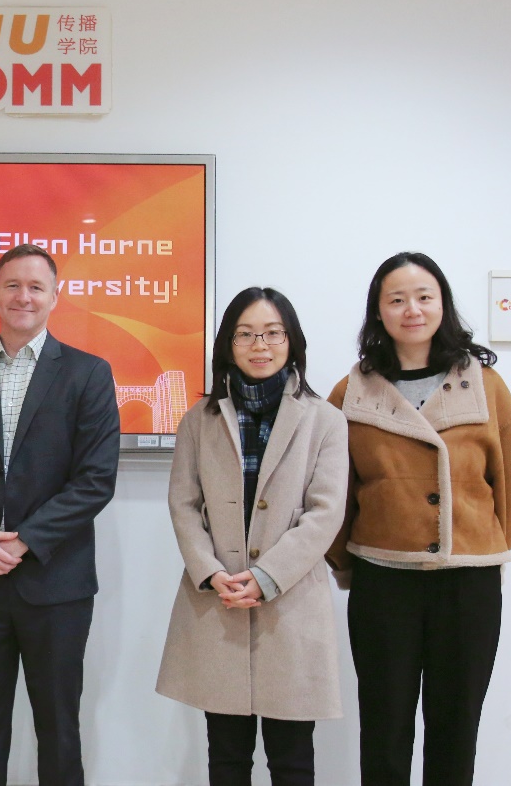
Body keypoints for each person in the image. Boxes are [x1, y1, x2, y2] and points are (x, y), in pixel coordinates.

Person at [327, 252, 511, 786]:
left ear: (443, 304)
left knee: (456, 730)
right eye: (396, 299)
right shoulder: (352, 391)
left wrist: (480, 542)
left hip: (468, 583)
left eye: (424, 297)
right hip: (382, 579)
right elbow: (332, 491)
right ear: (378, 311)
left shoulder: (485, 384)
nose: (411, 310)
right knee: (384, 731)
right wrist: (344, 561)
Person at [0, 244, 120, 786]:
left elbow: (95, 480)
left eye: (36, 286)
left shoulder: (88, 373)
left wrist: (26, 539)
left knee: (59, 730)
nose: (23, 296)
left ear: (55, 296)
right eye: (12, 285)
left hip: (56, 584)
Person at [156, 287, 348, 786]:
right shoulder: (199, 420)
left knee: (292, 760)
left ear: (291, 341)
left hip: (291, 604)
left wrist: (267, 576)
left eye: (272, 333)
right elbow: (183, 504)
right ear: (228, 343)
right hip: (217, 601)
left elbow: (325, 513)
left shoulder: (325, 419)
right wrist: (210, 571)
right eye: (245, 334)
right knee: (226, 758)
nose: (259, 345)